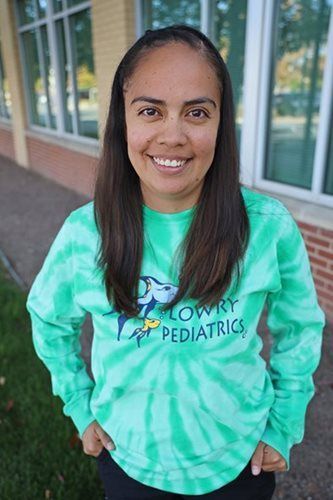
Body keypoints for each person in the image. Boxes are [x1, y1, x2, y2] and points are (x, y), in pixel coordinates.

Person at [26, 24, 325, 500]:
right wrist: (81, 406)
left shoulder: (267, 227)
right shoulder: (87, 234)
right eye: (150, 111)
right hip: (129, 459)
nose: (173, 135)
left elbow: (302, 326)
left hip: (241, 458)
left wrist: (284, 422)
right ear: (123, 121)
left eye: (197, 112)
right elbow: (47, 318)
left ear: (221, 123)